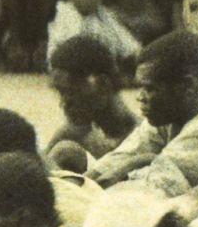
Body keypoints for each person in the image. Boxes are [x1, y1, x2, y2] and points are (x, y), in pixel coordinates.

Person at [86, 31, 198, 198]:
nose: (140, 97)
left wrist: (138, 161)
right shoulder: (170, 114)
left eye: (149, 89)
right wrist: (88, 178)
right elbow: (119, 158)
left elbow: (146, 181)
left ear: (187, 86)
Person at [46, 35, 144, 167]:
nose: (63, 103)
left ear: (103, 85)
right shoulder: (72, 134)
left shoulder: (145, 137)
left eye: (71, 92)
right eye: (61, 93)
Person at [46, 0, 140, 69]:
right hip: (68, 63)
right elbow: (70, 42)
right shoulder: (64, 12)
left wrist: (134, 53)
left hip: (100, 64)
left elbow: (129, 45)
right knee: (81, 45)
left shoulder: (106, 16)